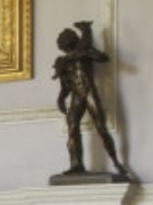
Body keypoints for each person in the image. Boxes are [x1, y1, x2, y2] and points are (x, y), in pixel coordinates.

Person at [51, 20, 129, 181]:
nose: (63, 45)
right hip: (76, 97)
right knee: (72, 128)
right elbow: (65, 86)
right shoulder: (63, 62)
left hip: (90, 93)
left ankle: (116, 162)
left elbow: (103, 58)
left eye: (64, 41)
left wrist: (86, 51)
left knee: (101, 128)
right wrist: (61, 98)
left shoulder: (84, 51)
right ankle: (76, 164)